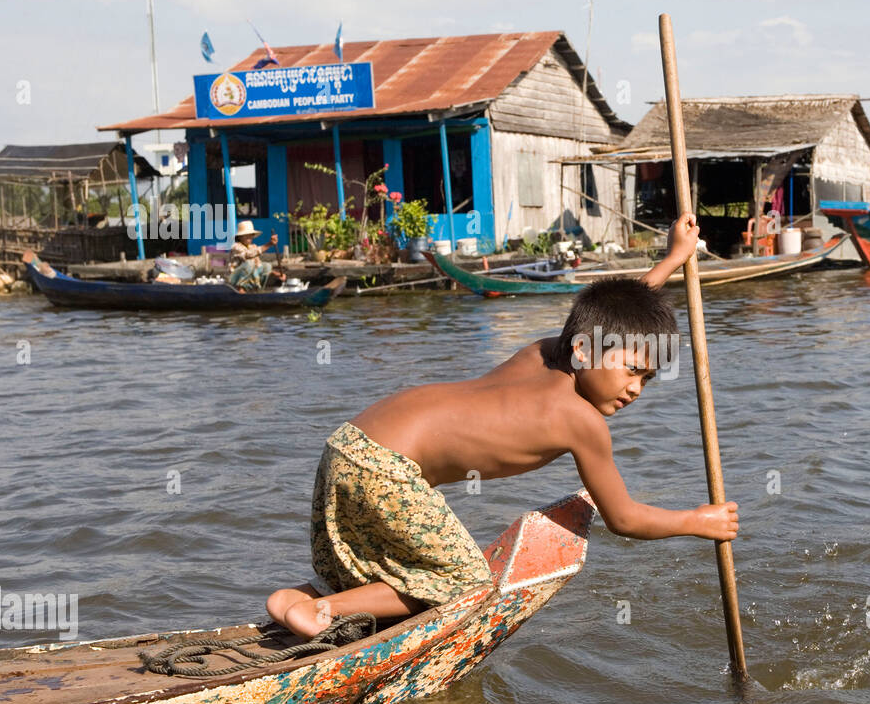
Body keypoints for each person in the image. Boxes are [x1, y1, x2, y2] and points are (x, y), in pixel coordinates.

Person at [267, 213, 739, 638]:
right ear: (584, 353)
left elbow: (615, 313)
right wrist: (699, 520)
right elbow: (624, 518)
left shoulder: (542, 352)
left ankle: (304, 596)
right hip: (389, 469)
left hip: (350, 442)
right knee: (467, 585)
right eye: (633, 371)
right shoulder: (580, 420)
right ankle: (316, 605)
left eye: (648, 378)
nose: (637, 387)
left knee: (375, 568)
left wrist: (672, 259)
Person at [227, 221, 280, 290]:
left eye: (251, 235)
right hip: (235, 279)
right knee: (249, 263)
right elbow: (248, 255)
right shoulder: (236, 247)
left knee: (267, 266)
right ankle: (240, 288)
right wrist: (269, 244)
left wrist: (276, 274)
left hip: (250, 278)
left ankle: (257, 288)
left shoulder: (253, 247)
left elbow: (259, 265)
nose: (249, 237)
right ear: (240, 237)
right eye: (246, 235)